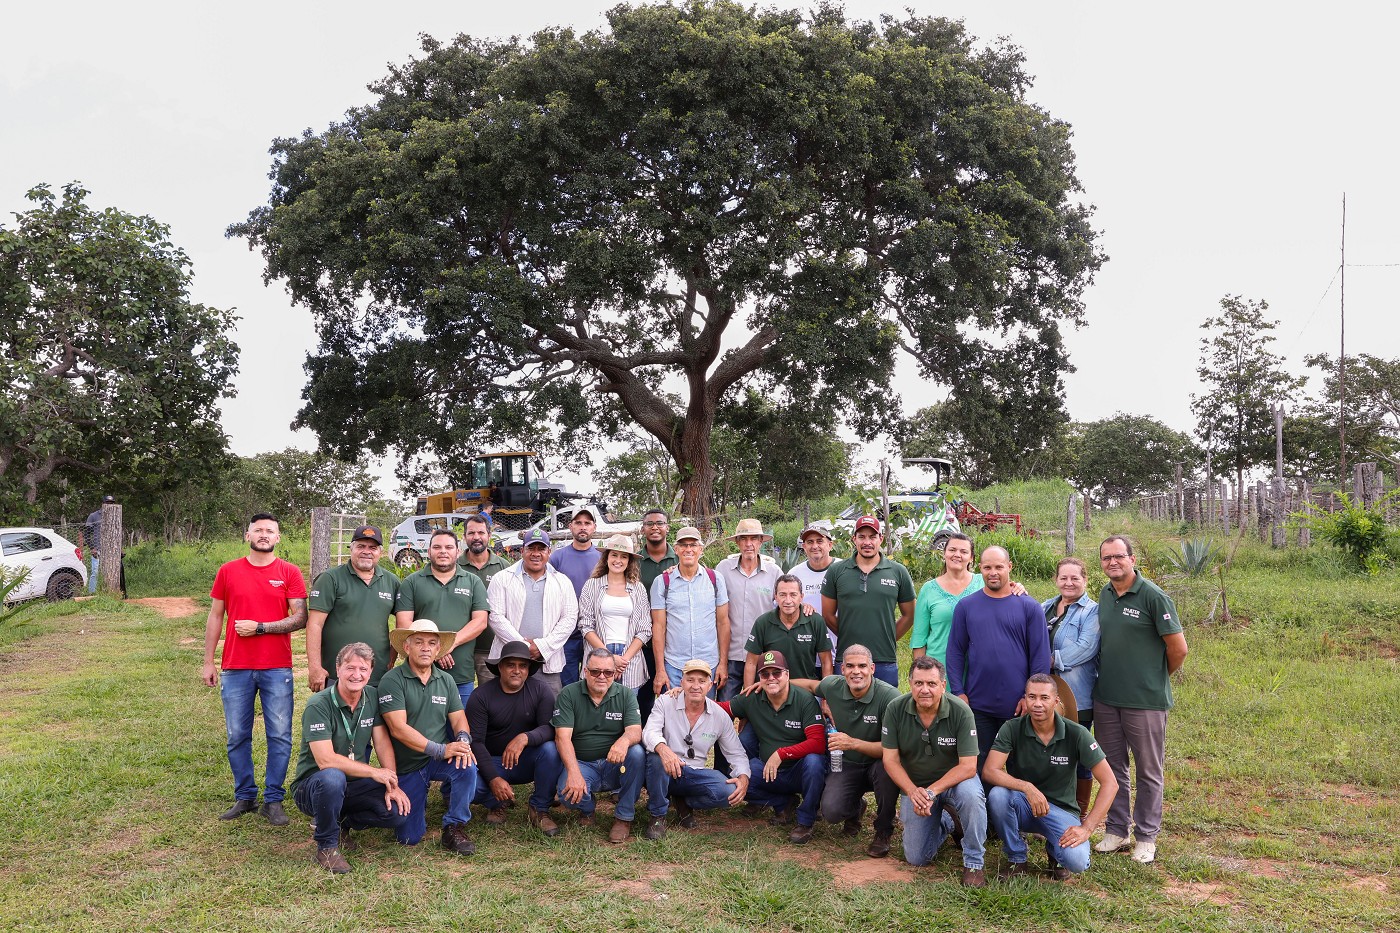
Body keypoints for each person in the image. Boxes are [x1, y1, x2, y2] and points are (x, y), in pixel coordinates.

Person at [202, 512, 308, 825]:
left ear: (278, 538)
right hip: (235, 667)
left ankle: (273, 800)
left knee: (280, 735)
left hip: (277, 667)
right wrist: (208, 661)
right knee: (237, 735)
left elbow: (300, 618)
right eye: (258, 530)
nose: (264, 534)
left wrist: (261, 627)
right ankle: (245, 795)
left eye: (270, 531)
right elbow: (215, 616)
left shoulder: (289, 572)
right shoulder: (228, 571)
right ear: (247, 535)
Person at [1093, 535, 1188, 865]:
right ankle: (1117, 830)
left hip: (1145, 702)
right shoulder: (1105, 595)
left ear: (1132, 559)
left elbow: (1178, 649)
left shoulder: (1154, 597)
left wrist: (1153, 678)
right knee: (1112, 767)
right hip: (1107, 698)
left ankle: (1146, 837)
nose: (1113, 562)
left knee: (1149, 770)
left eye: (1119, 556)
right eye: (1107, 558)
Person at [290, 642, 411, 873]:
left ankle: (341, 823)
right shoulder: (318, 704)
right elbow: (325, 760)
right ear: (338, 669)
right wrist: (374, 772)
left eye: (363, 669)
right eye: (350, 668)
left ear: (371, 672)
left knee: (396, 812)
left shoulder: (372, 696)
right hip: (313, 786)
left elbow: (382, 743)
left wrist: (392, 784)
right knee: (333, 777)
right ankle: (327, 846)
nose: (357, 675)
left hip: (353, 783)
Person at [983, 673, 1118, 880]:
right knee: (998, 796)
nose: (1037, 704)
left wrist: (1087, 828)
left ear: (1056, 701)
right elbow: (990, 770)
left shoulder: (1077, 733)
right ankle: (1017, 858)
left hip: (1061, 810)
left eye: (1044, 698)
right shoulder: (1012, 727)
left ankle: (1055, 852)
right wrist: (1027, 787)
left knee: (1077, 862)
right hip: (1025, 803)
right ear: (1025, 699)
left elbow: (1110, 783)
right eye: (1032, 697)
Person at [785, 644, 901, 858]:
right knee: (831, 812)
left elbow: (893, 749)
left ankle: (883, 831)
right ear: (842, 669)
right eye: (850, 666)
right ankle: (855, 807)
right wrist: (776, 682)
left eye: (862, 666)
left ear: (872, 669)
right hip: (847, 764)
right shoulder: (833, 685)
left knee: (887, 770)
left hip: (878, 762)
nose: (856, 671)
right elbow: (810, 685)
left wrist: (853, 743)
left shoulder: (889, 697)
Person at [881, 657, 987, 887]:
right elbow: (890, 760)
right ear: (910, 683)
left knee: (972, 796)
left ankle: (974, 862)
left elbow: (969, 766)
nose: (925, 689)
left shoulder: (961, 711)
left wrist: (932, 792)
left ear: (943, 685)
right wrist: (913, 791)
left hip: (955, 781)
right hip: (917, 786)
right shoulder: (895, 709)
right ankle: (949, 820)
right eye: (919, 683)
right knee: (917, 858)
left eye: (931, 683)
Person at [946, 545, 1051, 779]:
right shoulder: (966, 606)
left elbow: (1040, 657)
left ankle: (1016, 803)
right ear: (979, 568)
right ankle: (984, 804)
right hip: (977, 705)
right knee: (979, 766)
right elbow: (955, 652)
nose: (993, 572)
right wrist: (958, 692)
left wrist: (1029, 697)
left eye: (999, 567)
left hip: (1017, 706)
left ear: (1009, 567)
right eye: (987, 567)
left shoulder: (1029, 607)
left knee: (1021, 767)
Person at [377, 620, 480, 854]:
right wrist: (441, 750)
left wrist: (463, 740)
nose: (426, 648)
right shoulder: (392, 680)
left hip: (437, 758)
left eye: (432, 643)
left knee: (466, 765)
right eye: (419, 642)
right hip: (407, 764)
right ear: (407, 647)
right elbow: (398, 728)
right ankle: (411, 798)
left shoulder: (446, 680)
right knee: (409, 837)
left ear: (438, 649)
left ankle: (455, 826)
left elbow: (459, 718)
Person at [719, 650, 826, 844]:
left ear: (787, 674)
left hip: (799, 771)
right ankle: (784, 803)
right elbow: (721, 709)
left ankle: (806, 821)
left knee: (814, 762)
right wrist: (687, 695)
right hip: (769, 772)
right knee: (737, 778)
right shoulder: (753, 696)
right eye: (765, 674)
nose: (771, 678)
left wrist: (782, 754)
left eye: (776, 673)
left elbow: (818, 743)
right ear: (759, 678)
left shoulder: (804, 700)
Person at [641, 658, 751, 839]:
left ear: (710, 685)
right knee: (655, 758)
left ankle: (685, 801)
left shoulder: (719, 715)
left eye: (701, 681)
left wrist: (743, 776)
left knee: (729, 792)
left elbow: (736, 753)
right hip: (665, 769)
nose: (695, 686)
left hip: (694, 774)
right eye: (690, 680)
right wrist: (663, 749)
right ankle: (658, 815)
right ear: (682, 682)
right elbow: (649, 732)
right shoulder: (665, 702)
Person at [464, 640, 562, 835]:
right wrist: (493, 778)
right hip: (492, 762)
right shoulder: (480, 696)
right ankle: (497, 802)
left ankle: (539, 807)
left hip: (526, 761)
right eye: (511, 665)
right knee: (471, 787)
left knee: (551, 750)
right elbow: (476, 742)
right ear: (500, 667)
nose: (517, 671)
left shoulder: (541, 690)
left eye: (522, 666)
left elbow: (550, 728)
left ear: (528, 669)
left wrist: (525, 738)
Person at [550, 647, 645, 843]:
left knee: (636, 752)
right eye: (595, 671)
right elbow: (562, 738)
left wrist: (623, 741)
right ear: (585, 671)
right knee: (567, 795)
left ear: (615, 673)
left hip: (615, 764)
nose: (602, 676)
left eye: (608, 672)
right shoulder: (568, 694)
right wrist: (574, 773)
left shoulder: (626, 694)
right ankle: (587, 808)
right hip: (583, 763)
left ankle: (624, 817)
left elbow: (635, 731)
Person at [395, 529, 489, 709]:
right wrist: (435, 651)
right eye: (437, 547)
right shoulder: (412, 582)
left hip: (461, 674)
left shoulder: (473, 582)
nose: (443, 551)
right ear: (429, 551)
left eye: (449, 547)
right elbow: (403, 624)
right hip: (420, 674)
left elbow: (480, 622)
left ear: (458, 551)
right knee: (422, 723)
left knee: (459, 724)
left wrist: (448, 644)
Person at [820, 516, 915, 686]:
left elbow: (910, 615)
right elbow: (827, 614)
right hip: (847, 659)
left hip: (884, 658)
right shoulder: (837, 571)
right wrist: (848, 633)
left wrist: (888, 636)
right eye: (862, 537)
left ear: (881, 539)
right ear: (854, 539)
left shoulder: (898, 571)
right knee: (845, 703)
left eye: (872, 537)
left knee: (886, 703)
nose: (867, 542)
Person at [487, 528, 579, 699]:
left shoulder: (562, 582)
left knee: (548, 708)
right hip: (508, 659)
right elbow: (495, 616)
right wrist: (523, 647)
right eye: (531, 548)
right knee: (504, 707)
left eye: (541, 549)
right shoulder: (502, 578)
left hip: (547, 661)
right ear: (522, 550)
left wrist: (542, 647)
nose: (536, 554)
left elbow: (570, 618)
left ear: (549, 552)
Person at [1041, 556, 1101, 817]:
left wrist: (1049, 660)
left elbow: (1086, 647)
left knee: (1079, 753)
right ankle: (1051, 809)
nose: (1069, 583)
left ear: (1084, 580)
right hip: (1046, 696)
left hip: (1077, 696)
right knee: (1050, 752)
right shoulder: (1045, 607)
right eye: (1063, 577)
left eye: (1075, 578)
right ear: (1056, 580)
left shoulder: (1092, 611)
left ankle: (1079, 813)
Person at [306, 524, 398, 692]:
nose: (366, 551)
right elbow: (314, 624)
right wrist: (314, 667)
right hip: (336, 674)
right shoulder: (330, 579)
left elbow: (404, 624)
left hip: (377, 675)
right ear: (351, 548)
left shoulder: (391, 582)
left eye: (373, 548)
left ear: (380, 552)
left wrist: (392, 657)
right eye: (361, 546)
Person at [650, 526, 730, 696]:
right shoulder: (662, 582)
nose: (688, 549)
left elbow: (723, 623)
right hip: (674, 666)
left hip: (708, 665)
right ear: (676, 549)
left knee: (705, 711)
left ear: (701, 549)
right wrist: (660, 670)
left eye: (693, 545)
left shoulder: (715, 579)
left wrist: (723, 663)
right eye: (683, 545)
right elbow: (658, 627)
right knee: (674, 711)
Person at [715, 518, 782, 700]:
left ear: (761, 542)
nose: (749, 544)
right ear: (737, 542)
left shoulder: (774, 572)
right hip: (731, 653)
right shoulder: (723, 569)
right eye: (744, 539)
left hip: (763, 654)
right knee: (726, 706)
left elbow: (786, 604)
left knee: (763, 705)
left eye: (753, 539)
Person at [578, 534, 652, 692]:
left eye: (624, 556)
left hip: (629, 658)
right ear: (606, 557)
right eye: (614, 555)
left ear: (629, 561)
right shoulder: (592, 585)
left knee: (626, 704)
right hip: (598, 652)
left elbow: (645, 628)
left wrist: (624, 659)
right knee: (597, 703)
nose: (618, 560)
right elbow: (585, 625)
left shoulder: (638, 588)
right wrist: (609, 657)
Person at [744, 574, 832, 688]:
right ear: (776, 597)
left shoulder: (816, 621)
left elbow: (826, 662)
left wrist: (826, 694)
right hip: (772, 690)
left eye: (793, 595)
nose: (788, 600)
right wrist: (748, 694)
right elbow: (751, 663)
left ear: (801, 597)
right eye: (782, 595)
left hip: (805, 691)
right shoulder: (763, 622)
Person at [457, 513, 513, 686]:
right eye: (471, 533)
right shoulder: (454, 566)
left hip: (492, 647)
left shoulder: (503, 567)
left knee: (492, 695)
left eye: (481, 533)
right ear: (464, 536)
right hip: (460, 647)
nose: (476, 537)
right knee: (459, 696)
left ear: (489, 535)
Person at [549, 506, 601, 686]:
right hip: (567, 635)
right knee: (568, 686)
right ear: (570, 526)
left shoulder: (603, 558)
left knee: (594, 684)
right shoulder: (557, 558)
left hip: (595, 634)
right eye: (578, 523)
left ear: (594, 527)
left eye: (587, 523)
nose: (583, 527)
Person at [636, 508, 679, 725]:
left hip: (672, 640)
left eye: (659, 523)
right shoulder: (634, 561)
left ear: (667, 528)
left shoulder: (679, 559)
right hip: (642, 640)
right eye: (649, 524)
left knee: (670, 694)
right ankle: (645, 737)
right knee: (643, 694)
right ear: (643, 529)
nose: (655, 527)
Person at [911, 532, 980, 664]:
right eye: (952, 550)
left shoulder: (983, 583)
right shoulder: (928, 589)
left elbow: (1005, 596)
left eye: (964, 551)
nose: (957, 555)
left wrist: (1018, 587)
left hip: (976, 667)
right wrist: (922, 671)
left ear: (971, 558)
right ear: (944, 553)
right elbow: (919, 639)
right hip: (938, 667)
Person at [789, 522, 841, 663]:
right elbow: (781, 605)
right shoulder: (794, 574)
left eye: (819, 541)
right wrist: (799, 606)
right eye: (810, 542)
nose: (815, 546)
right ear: (804, 546)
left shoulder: (844, 569)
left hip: (841, 651)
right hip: (805, 655)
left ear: (830, 545)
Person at [84, 494, 115, 594]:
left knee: (111, 572)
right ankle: (91, 593)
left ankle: (109, 592)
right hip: (97, 550)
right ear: (103, 504)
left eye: (111, 503)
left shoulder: (115, 516)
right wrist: (92, 548)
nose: (109, 505)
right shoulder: (93, 516)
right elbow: (86, 534)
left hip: (111, 550)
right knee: (95, 572)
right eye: (107, 503)